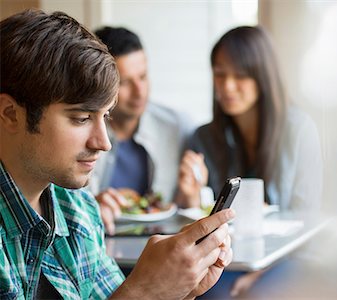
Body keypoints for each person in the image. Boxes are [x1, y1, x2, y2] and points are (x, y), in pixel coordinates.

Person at [0, 9, 233, 299]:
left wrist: (177, 289)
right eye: (81, 118)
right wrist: (145, 291)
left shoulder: (78, 209)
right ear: (10, 114)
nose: (104, 142)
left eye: (106, 116)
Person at [176, 26, 323, 297]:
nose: (227, 86)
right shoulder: (203, 137)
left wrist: (261, 273)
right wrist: (189, 198)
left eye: (240, 75)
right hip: (224, 257)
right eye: (220, 74)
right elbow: (193, 218)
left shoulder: (299, 130)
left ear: (262, 77)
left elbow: (309, 223)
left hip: (285, 257)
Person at [90, 26, 192, 234]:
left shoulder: (177, 127)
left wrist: (190, 195)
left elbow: (184, 206)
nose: (140, 92)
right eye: (125, 82)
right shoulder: (79, 130)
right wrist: (90, 208)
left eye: (143, 77)